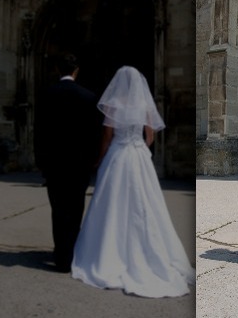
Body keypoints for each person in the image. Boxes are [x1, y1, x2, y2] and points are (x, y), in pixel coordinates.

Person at [71, 66, 194, 298]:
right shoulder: (144, 106)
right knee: (145, 204)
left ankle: (107, 253)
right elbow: (150, 136)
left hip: (117, 155)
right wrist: (138, 147)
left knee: (111, 204)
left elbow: (107, 138)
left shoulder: (113, 104)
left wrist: (99, 159)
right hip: (137, 156)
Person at [34, 54, 101, 273]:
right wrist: (92, 162)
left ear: (56, 69)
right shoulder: (88, 97)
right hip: (79, 165)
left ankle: (61, 256)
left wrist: (41, 162)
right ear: (76, 70)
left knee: (58, 210)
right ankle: (71, 255)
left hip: (53, 165)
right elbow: (94, 135)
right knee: (75, 209)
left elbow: (39, 133)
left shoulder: (46, 95)